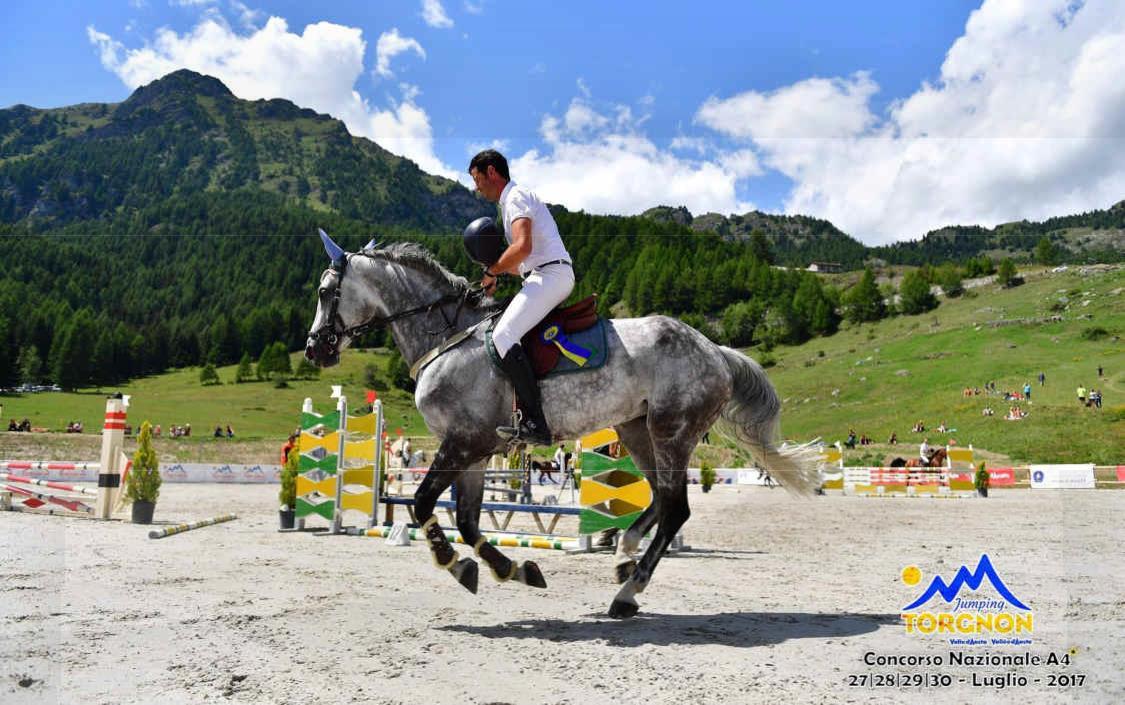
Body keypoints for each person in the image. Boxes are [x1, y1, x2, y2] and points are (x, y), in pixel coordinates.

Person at [467, 149, 574, 445]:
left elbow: (523, 247)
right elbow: (520, 262)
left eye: (477, 179)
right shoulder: (511, 202)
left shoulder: (515, 197)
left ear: (491, 172)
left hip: (551, 275)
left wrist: (492, 270)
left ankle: (536, 422)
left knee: (503, 335)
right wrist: (496, 274)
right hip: (544, 273)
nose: (477, 188)